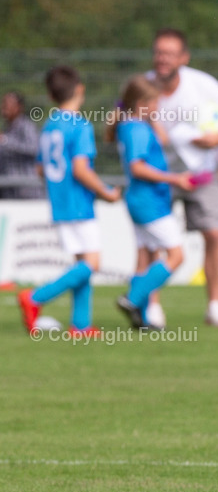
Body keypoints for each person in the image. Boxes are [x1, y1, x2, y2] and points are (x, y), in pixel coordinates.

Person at [148, 28, 218, 328]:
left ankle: (215, 306)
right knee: (153, 242)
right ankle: (151, 307)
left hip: (201, 175)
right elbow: (121, 123)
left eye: (169, 53)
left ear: (184, 57)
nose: (162, 59)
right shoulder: (144, 87)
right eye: (158, 53)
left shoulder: (203, 85)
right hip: (160, 177)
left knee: (214, 235)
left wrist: (217, 139)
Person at [18, 66, 121, 337]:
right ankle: (36, 297)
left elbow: (41, 169)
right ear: (80, 89)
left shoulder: (50, 124)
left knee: (81, 262)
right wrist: (107, 191)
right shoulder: (80, 125)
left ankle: (81, 324)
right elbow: (80, 169)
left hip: (59, 202)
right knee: (92, 264)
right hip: (79, 203)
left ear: (51, 95)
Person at [109, 75, 191, 329]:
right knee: (176, 255)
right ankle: (132, 299)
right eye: (155, 102)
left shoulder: (129, 125)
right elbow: (138, 167)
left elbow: (162, 142)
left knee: (144, 257)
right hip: (148, 201)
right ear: (142, 102)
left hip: (139, 201)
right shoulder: (137, 129)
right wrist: (174, 178)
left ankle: (142, 318)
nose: (158, 108)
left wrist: (152, 119)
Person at [0, 91, 44, 199]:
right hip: (10, 191)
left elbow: (34, 148)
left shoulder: (26, 126)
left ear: (19, 107)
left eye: (8, 104)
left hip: (27, 191)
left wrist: (5, 141)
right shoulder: (8, 129)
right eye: (3, 104)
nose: (4, 107)